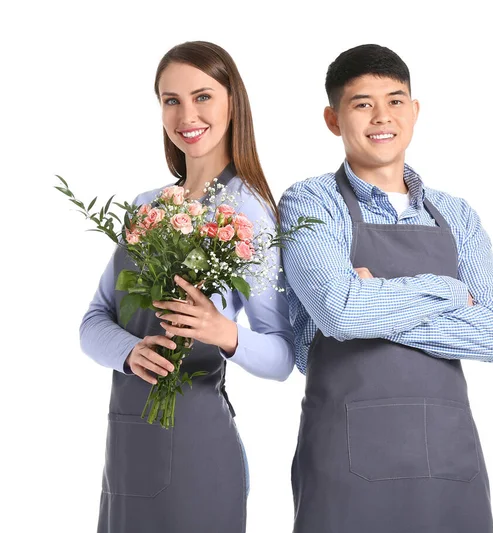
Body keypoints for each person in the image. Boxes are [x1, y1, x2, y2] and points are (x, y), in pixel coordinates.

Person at [279, 44, 493, 533]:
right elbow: (340, 313)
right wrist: (449, 291)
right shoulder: (309, 201)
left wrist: (376, 301)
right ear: (333, 118)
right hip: (344, 461)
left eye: (395, 100)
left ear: (414, 111)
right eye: (362, 103)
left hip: (449, 462)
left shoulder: (456, 214)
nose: (381, 117)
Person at [80, 41, 294, 533]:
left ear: (232, 103)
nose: (186, 114)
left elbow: (283, 357)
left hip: (198, 448)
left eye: (203, 96)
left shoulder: (250, 213)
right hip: (128, 446)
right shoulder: (147, 206)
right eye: (171, 100)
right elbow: (93, 321)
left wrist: (223, 332)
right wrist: (131, 351)